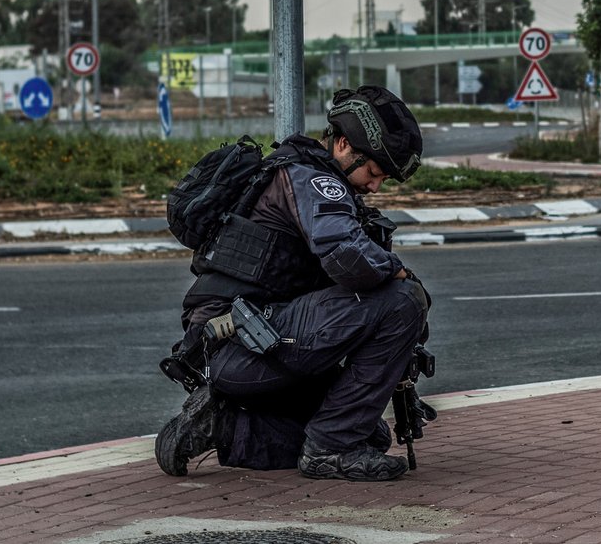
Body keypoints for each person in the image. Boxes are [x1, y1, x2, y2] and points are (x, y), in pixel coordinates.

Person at [156, 85, 431, 482]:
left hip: (249, 347)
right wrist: (398, 272)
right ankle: (331, 449)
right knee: (405, 299)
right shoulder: (312, 179)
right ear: (342, 145)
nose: (375, 186)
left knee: (372, 436)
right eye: (373, 172)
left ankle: (224, 428)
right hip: (244, 343)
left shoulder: (303, 176)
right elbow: (348, 257)